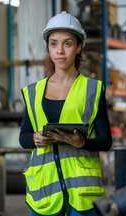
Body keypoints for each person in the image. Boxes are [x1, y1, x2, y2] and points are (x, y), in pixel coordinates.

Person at [19, 11, 112, 216]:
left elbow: (106, 141)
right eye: (54, 44)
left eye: (67, 44)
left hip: (83, 195)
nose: (60, 51)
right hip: (44, 194)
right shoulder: (33, 91)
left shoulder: (93, 90)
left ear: (79, 47)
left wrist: (83, 143)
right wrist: (34, 138)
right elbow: (23, 138)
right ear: (48, 47)